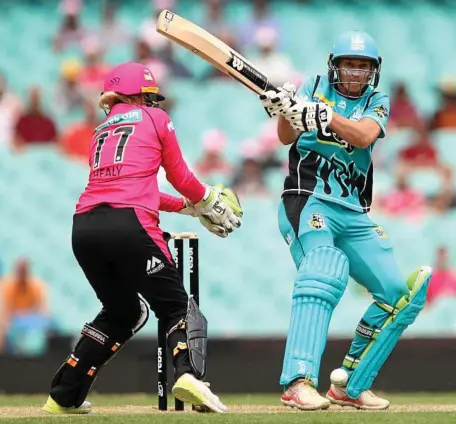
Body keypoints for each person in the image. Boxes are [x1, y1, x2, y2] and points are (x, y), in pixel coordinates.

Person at [42, 62, 243, 415]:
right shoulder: (155, 118)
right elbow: (179, 175)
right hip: (130, 224)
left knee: (124, 312)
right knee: (177, 306)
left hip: (85, 226)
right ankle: (189, 375)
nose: (153, 103)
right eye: (149, 97)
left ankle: (64, 394)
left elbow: (132, 187)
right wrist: (208, 200)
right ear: (139, 95)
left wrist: (189, 207)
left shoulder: (100, 131)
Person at [259, 30, 432, 410]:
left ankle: (350, 386)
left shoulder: (377, 101)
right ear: (334, 65)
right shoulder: (314, 86)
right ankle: (298, 381)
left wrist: (325, 114)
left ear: (373, 71)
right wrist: (286, 108)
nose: (355, 73)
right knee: (324, 269)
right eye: (349, 65)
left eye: (363, 66)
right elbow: (287, 133)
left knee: (399, 298)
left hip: (353, 210)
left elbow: (364, 134)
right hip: (309, 201)